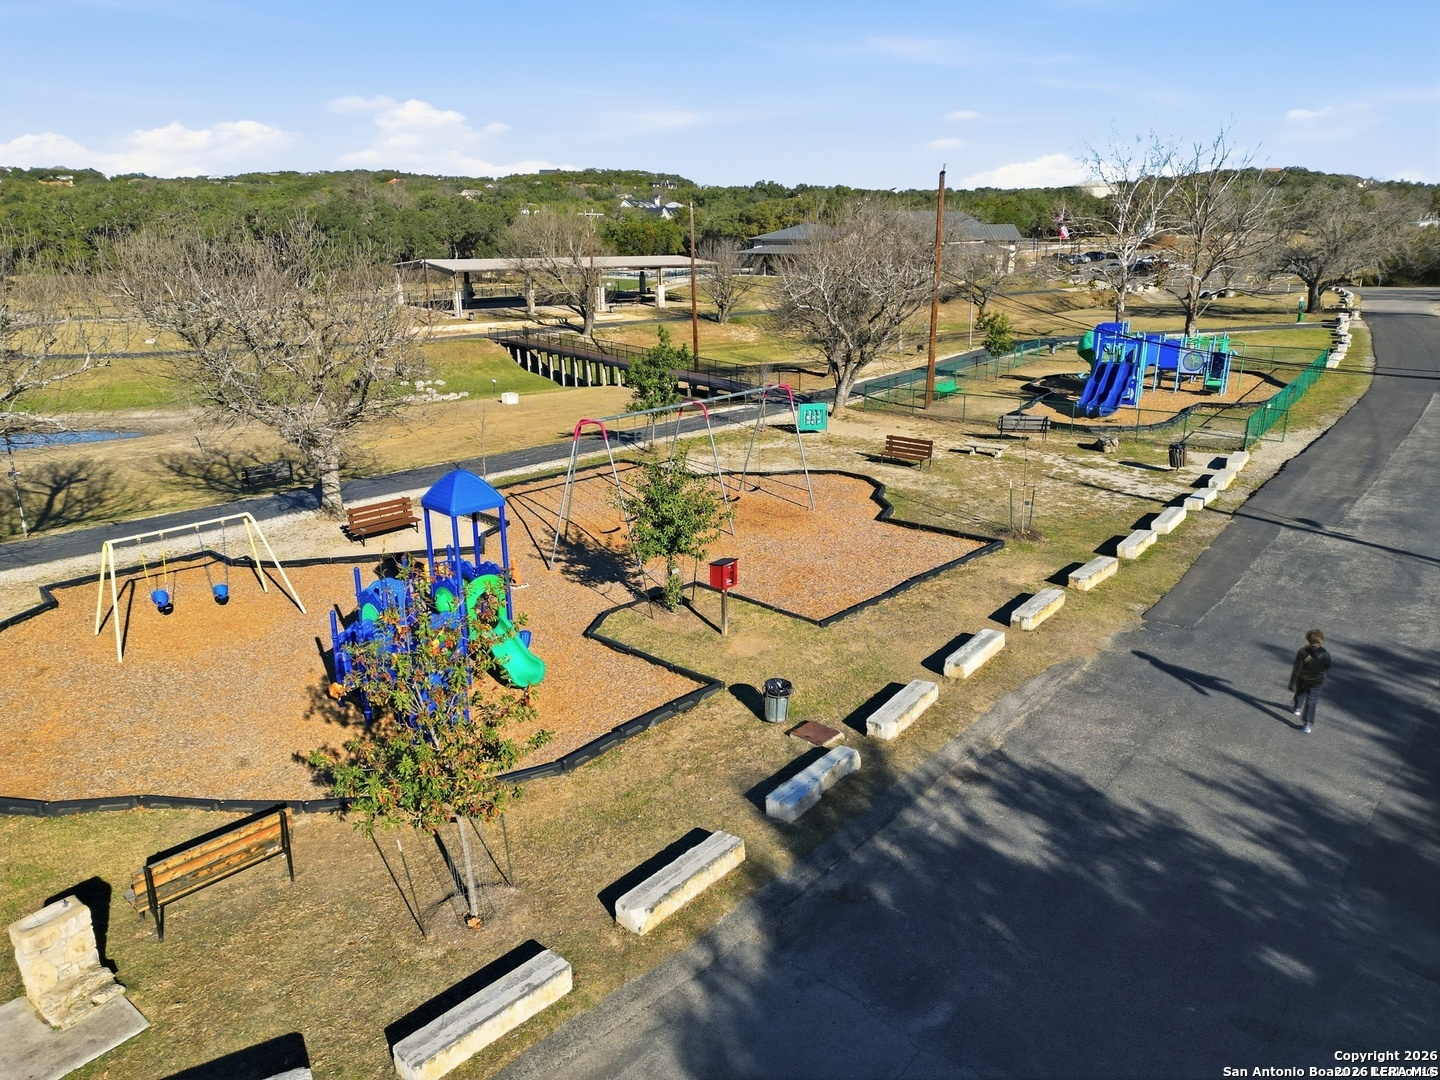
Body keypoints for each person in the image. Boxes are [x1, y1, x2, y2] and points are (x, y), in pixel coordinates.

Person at [1288, 629, 1331, 734]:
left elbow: (1296, 668)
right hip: (1316, 681)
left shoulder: (1302, 652)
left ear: (1308, 639)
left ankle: (1297, 708)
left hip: (1302, 678)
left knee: (1300, 692)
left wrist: (1292, 682)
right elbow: (1327, 666)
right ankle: (1307, 724)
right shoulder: (1325, 654)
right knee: (1312, 701)